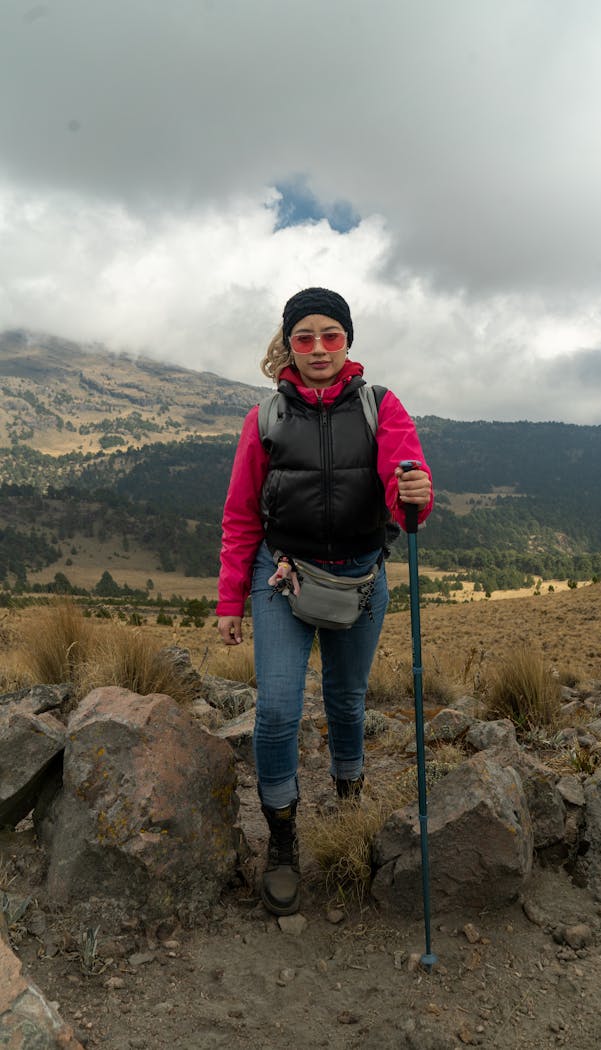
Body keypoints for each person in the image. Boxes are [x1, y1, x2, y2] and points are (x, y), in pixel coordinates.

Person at [216, 287, 432, 915]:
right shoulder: (265, 419)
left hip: (360, 577)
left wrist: (416, 494)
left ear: (347, 341)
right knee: (279, 707)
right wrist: (231, 599)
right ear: (289, 345)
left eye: (330, 336)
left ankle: (349, 805)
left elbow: (403, 493)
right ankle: (282, 838)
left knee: (346, 699)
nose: (317, 349)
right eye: (304, 337)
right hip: (281, 577)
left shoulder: (380, 407)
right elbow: (240, 515)